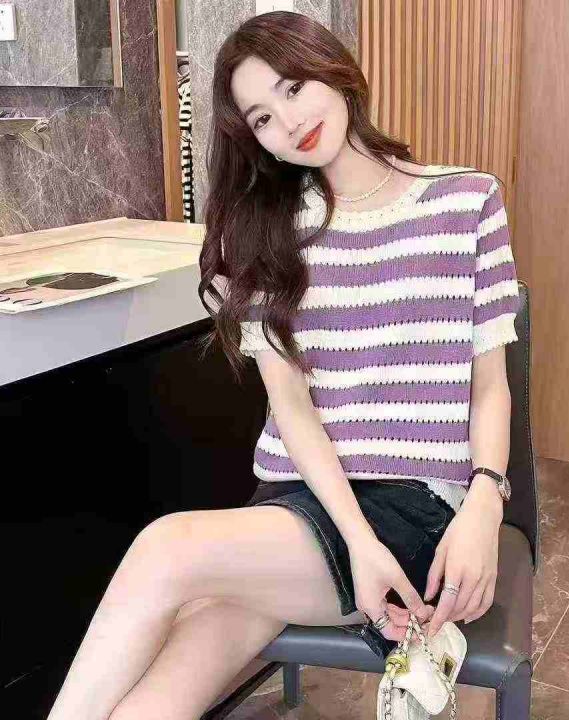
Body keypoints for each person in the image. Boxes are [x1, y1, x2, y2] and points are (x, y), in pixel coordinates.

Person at [47, 10, 522, 720]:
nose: (289, 121)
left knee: (164, 550)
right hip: (303, 505)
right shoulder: (268, 231)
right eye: (262, 117)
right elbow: (291, 408)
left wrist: (485, 503)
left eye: (294, 87)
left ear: (334, 68)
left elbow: (490, 386)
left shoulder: (467, 200)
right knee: (157, 699)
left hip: (418, 508)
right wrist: (355, 542)